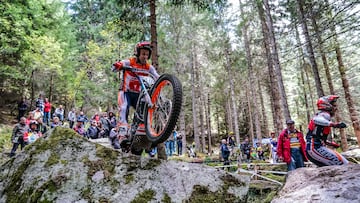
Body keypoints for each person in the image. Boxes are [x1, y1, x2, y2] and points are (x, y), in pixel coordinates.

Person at [112, 41, 160, 135]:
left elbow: (156, 76)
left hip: (138, 94)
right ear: (138, 53)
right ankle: (122, 130)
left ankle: (138, 129)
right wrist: (118, 65)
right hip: (126, 92)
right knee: (124, 107)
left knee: (143, 109)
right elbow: (114, 68)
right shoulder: (130, 62)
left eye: (147, 54)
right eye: (143, 54)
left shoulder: (148, 67)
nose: (145, 56)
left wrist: (166, 80)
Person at [306, 95, 348, 166]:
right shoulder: (324, 114)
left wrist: (329, 143)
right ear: (327, 105)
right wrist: (334, 124)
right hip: (314, 148)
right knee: (342, 163)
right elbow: (316, 120)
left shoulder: (324, 115)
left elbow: (317, 136)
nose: (335, 107)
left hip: (316, 147)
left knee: (342, 163)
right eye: (333, 104)